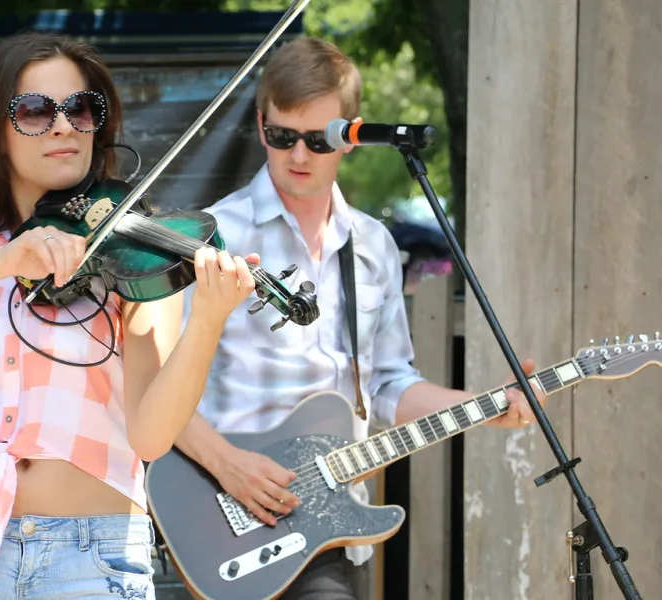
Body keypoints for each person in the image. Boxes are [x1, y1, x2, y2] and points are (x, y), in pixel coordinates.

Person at [0, 31, 261, 600]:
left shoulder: (137, 256)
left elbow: (151, 434)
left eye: (80, 109)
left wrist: (206, 320)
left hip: (95, 557)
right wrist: (5, 261)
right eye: (35, 111)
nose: (63, 126)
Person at [174, 36, 548, 599]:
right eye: (282, 136)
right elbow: (158, 387)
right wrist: (228, 465)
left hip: (331, 525)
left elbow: (388, 386)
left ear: (351, 135)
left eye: (318, 140)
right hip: (226, 516)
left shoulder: (372, 245)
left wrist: (486, 409)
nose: (298, 156)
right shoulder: (213, 236)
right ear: (260, 126)